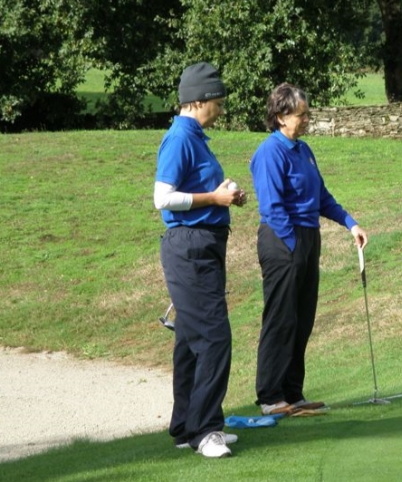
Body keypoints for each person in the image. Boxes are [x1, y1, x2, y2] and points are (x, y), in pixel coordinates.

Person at [249, 83, 368, 415]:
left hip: (306, 239)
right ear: (282, 116)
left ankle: (292, 392)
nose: (307, 119)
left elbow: (322, 197)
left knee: (302, 319)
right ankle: (271, 397)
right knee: (281, 318)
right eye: (302, 114)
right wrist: (292, 246)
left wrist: (350, 223)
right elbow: (272, 206)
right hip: (281, 240)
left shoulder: (304, 151)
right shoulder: (269, 152)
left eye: (306, 113)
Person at [154, 62, 247, 458]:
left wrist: (226, 195)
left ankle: (184, 425)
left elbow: (196, 189)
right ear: (199, 101)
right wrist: (214, 199)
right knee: (213, 338)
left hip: (202, 244)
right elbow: (163, 198)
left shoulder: (196, 136)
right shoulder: (180, 138)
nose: (221, 110)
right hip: (189, 247)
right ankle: (205, 429)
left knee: (191, 341)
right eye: (218, 103)